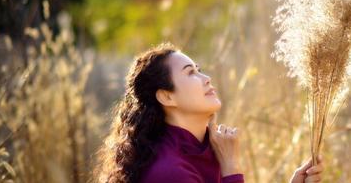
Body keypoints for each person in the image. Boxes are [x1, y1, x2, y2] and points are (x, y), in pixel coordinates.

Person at [92, 42, 324, 183]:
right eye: (190, 72)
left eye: (200, 70)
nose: (206, 78)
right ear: (166, 96)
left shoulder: (204, 149)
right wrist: (231, 167)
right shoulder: (170, 172)